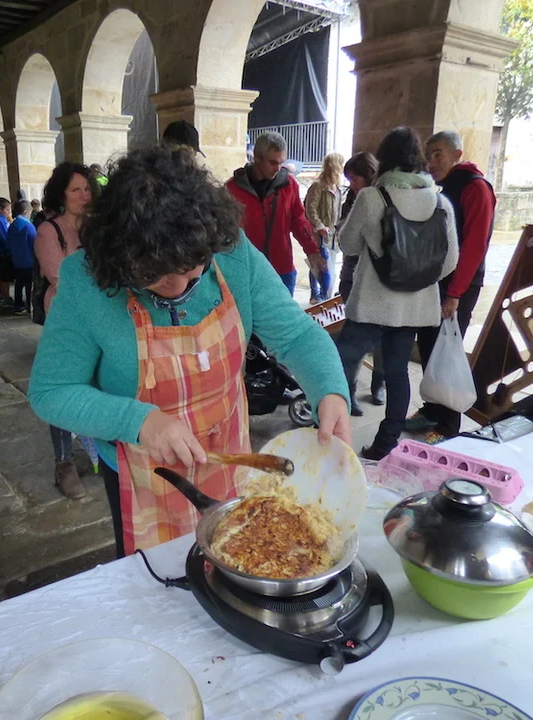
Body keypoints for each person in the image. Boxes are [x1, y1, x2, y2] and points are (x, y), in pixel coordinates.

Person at [28, 146, 352, 557]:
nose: (178, 287)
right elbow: (52, 391)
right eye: (155, 276)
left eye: (190, 270)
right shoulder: (85, 280)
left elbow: (297, 335)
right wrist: (140, 421)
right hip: (143, 473)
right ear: (119, 258)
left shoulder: (230, 252)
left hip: (230, 456)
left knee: (238, 555)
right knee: (158, 577)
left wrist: (329, 389)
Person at [335, 127, 459, 461]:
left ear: (384, 159)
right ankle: (385, 445)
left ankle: (331, 437)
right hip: (412, 311)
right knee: (397, 373)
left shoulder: (372, 198)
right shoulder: (440, 202)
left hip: (372, 306)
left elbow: (348, 245)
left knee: (338, 362)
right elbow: (449, 262)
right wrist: (415, 279)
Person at [407, 130, 497, 443]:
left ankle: (448, 425)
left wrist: (455, 293)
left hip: (459, 286)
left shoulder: (476, 187)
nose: (431, 162)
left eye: (438, 154)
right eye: (428, 156)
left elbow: (474, 246)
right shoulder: (444, 188)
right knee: (430, 345)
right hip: (436, 282)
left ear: (457, 155)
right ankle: (432, 410)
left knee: (446, 351)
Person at [34, 162, 92, 499]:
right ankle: (64, 464)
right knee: (62, 388)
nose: (84, 195)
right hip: (67, 321)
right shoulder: (49, 231)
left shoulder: (97, 227)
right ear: (61, 195)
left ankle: (100, 450)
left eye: (87, 189)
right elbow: (60, 278)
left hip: (99, 318)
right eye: (75, 190)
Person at [226, 132, 325, 295]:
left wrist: (312, 251)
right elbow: (225, 231)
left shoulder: (289, 185)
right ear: (258, 157)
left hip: (282, 269)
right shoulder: (232, 189)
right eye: (273, 162)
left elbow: (298, 220)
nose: (278, 169)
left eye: (281, 162)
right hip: (246, 271)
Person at [338, 152, 385, 407]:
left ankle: (379, 385)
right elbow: (346, 240)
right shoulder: (352, 200)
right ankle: (349, 390)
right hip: (352, 276)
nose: (352, 184)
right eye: (349, 179)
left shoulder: (381, 199)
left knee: (381, 341)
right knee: (353, 341)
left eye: (355, 178)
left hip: (376, 280)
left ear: (369, 175)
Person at [304, 152, 347, 304]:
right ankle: (316, 294)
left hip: (333, 235)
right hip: (319, 234)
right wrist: (319, 226)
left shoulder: (338, 188)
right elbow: (310, 209)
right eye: (341, 164)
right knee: (318, 264)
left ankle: (325, 296)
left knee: (329, 266)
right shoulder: (318, 186)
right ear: (334, 166)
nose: (343, 168)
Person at [7, 199, 37, 316]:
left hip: (17, 260)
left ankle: (18, 305)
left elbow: (8, 241)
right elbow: (34, 243)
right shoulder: (29, 226)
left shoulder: (12, 225)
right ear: (26, 212)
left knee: (18, 284)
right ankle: (30, 305)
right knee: (30, 284)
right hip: (29, 260)